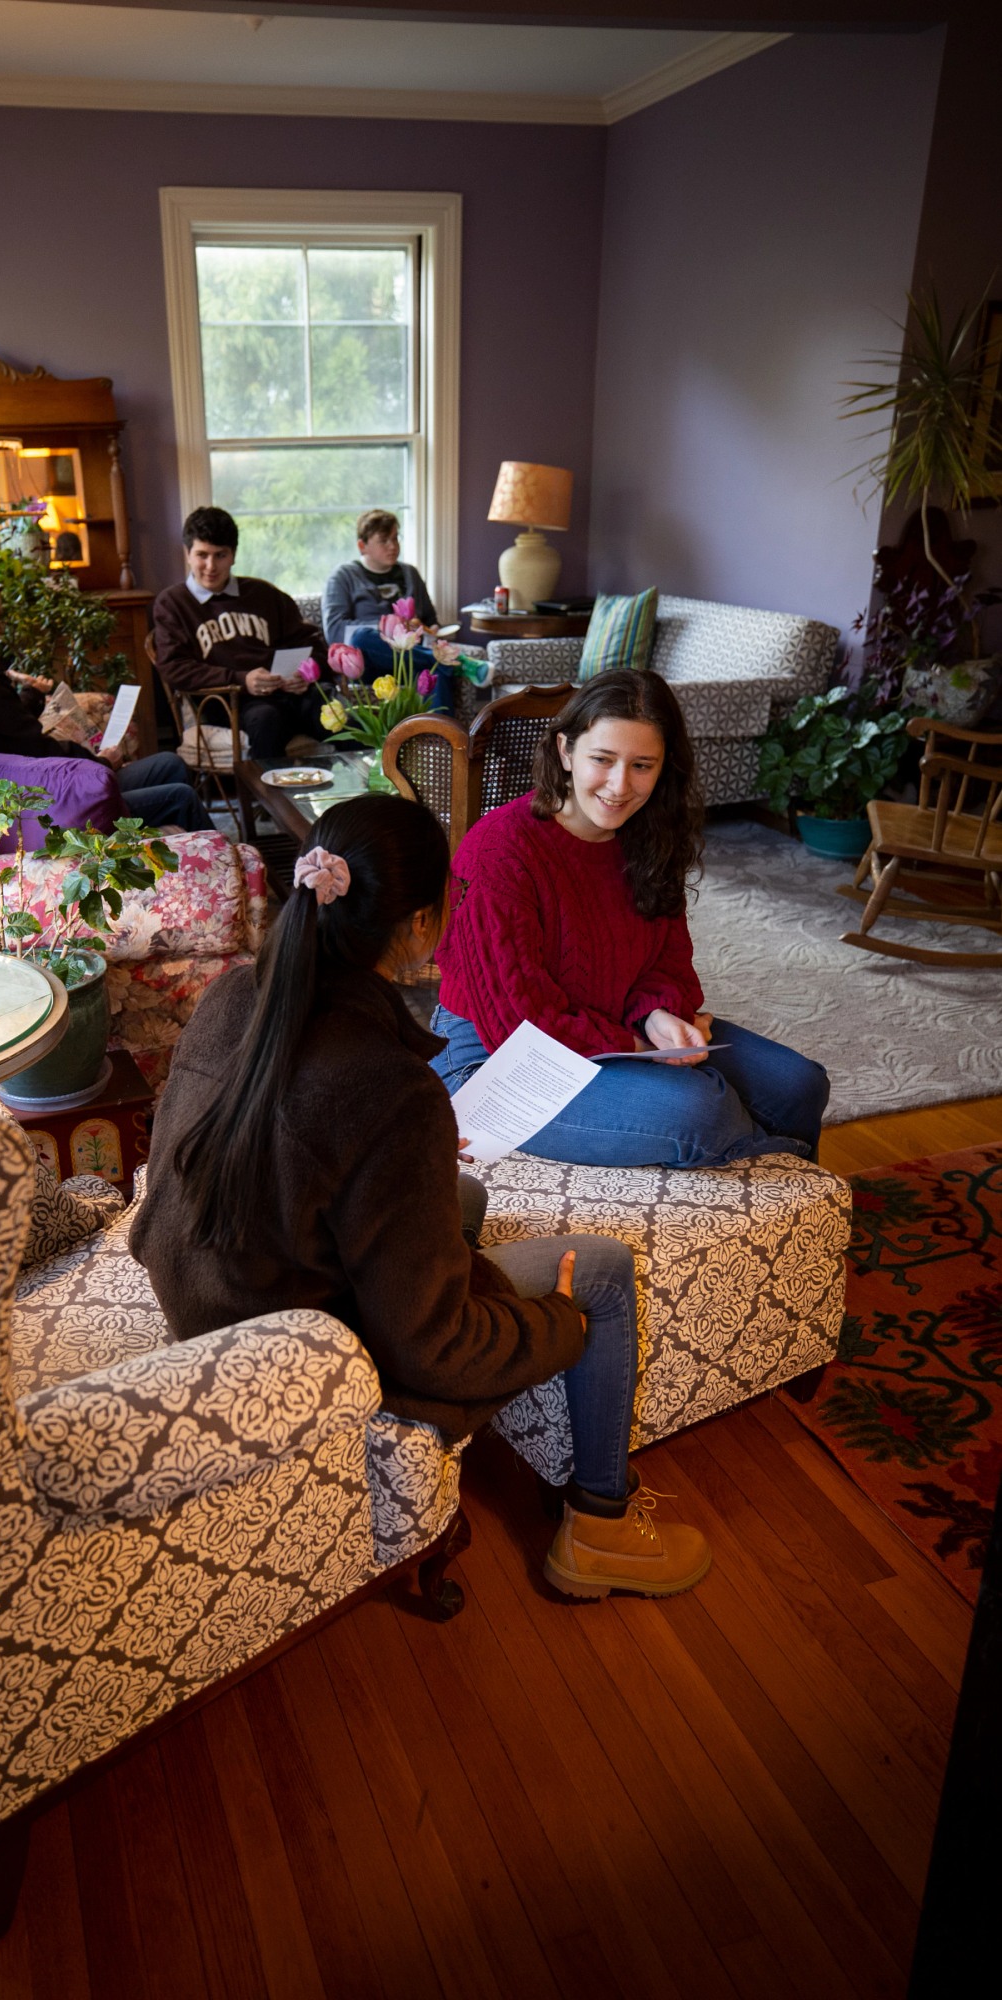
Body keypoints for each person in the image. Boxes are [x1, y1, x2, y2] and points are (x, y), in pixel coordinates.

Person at [130, 793, 712, 1600]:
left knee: (462, 1191)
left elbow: (288, 1145)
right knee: (604, 1272)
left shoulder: (236, 997)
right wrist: (554, 1323)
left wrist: (414, 1159)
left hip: (206, 1297)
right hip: (293, 1349)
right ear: (417, 926)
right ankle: (600, 1530)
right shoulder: (387, 1085)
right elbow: (427, 1347)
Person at [431, 669, 830, 1169]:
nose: (620, 786)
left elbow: (667, 960)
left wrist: (658, 1013)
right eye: (602, 759)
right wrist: (637, 1044)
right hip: (499, 1055)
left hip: (611, 1020)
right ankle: (771, 1178)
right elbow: (518, 1019)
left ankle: (788, 1202)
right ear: (565, 752)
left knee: (799, 1084)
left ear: (664, 768)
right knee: (702, 1108)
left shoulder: (649, 837)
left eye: (642, 765)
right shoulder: (497, 850)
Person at [0, 569, 213, 832]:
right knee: (181, 796)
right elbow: (37, 753)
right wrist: (101, 763)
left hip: (34, 786)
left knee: (170, 764)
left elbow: (2, 729)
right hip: (45, 806)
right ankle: (229, 881)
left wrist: (33, 696)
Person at [152, 506, 329, 759]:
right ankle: (271, 798)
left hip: (289, 694)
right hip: (230, 703)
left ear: (233, 555)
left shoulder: (264, 595)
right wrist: (241, 679)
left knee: (336, 715)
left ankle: (367, 795)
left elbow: (312, 643)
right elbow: (174, 668)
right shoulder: (173, 603)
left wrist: (305, 672)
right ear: (188, 554)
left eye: (220, 555)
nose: (210, 566)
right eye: (202, 555)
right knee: (268, 719)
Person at [321, 509, 488, 713]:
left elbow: (430, 619)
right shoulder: (343, 576)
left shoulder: (410, 573)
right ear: (362, 546)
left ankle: (442, 739)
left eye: (395, 538)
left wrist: (431, 629)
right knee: (360, 637)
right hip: (370, 662)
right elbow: (335, 631)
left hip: (410, 661)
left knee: (434, 672)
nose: (393, 546)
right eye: (384, 541)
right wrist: (391, 627)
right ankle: (453, 661)